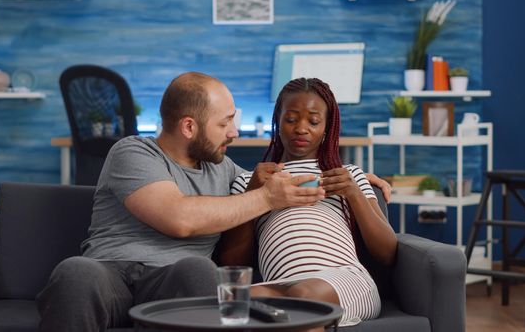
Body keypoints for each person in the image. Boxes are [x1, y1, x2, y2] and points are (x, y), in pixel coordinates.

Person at [36, 72, 326, 331]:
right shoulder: (133, 151)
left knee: (199, 269)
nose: (234, 132)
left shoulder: (223, 168)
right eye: (225, 123)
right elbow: (179, 219)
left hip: (173, 284)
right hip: (109, 274)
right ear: (189, 127)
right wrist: (265, 197)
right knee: (76, 272)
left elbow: (282, 178)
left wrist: (356, 178)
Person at [221, 77, 398, 327]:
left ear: (326, 128)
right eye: (291, 119)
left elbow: (388, 253)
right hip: (280, 285)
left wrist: (355, 193)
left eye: (313, 121)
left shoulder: (348, 175)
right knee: (236, 302)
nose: (301, 128)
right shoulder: (249, 181)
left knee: (304, 298)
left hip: (344, 280)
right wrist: (253, 193)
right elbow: (233, 264)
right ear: (277, 123)